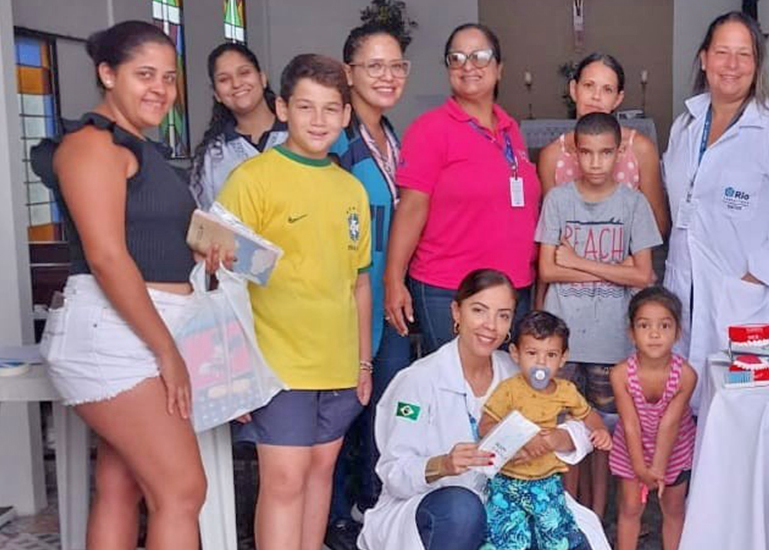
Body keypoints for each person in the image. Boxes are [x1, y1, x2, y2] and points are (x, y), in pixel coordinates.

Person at [29, 20, 206, 549]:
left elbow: (143, 236)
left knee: (119, 483)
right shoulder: (91, 145)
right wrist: (167, 351)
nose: (160, 89)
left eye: (169, 78)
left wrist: (195, 247)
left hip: (136, 328)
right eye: (144, 74)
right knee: (182, 490)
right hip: (114, 334)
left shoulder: (136, 146)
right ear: (107, 74)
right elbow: (106, 257)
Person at [216, 54, 373, 550]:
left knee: (320, 472)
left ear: (347, 115)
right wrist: (232, 373)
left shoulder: (351, 189)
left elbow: (359, 283)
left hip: (339, 363)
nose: (319, 120)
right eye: (306, 107)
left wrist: (363, 362)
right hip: (276, 365)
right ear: (282, 108)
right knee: (283, 481)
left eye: (331, 108)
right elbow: (222, 281)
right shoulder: (253, 179)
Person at [357, 269, 610, 550]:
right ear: (456, 312)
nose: (490, 325)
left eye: (503, 315)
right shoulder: (418, 381)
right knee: (464, 509)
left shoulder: (518, 369)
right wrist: (443, 464)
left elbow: (580, 419)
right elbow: (394, 473)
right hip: (437, 511)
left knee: (569, 537)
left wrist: (558, 438)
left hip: (509, 501)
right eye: (479, 310)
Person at [662, 11, 769, 411]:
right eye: (722, 52)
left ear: (757, 64)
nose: (731, 65)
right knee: (689, 407)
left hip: (751, 292)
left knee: (748, 405)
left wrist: (758, 275)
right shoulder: (685, 125)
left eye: (744, 54)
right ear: (703, 58)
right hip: (688, 286)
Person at [384, 23, 541, 355]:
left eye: (479, 56)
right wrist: (394, 279)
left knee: (504, 394)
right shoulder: (430, 130)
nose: (467, 65)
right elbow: (411, 208)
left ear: (499, 68)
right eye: (456, 58)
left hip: (513, 290)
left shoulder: (512, 130)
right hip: (450, 289)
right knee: (456, 392)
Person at [534, 112, 662, 516]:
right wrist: (615, 270)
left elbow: (643, 275)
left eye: (605, 153)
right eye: (586, 153)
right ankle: (569, 513)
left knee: (605, 432)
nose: (595, 163)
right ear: (573, 150)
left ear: (619, 151)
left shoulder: (633, 203)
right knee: (564, 430)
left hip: (611, 341)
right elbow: (547, 269)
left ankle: (596, 514)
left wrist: (577, 259)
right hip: (564, 342)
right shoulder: (558, 199)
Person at [326, 22, 415, 550]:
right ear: (348, 73)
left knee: (382, 411)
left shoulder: (389, 135)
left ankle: (368, 509)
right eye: (374, 65)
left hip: (388, 298)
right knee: (341, 413)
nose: (387, 75)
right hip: (348, 299)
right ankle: (335, 517)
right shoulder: (337, 136)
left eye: (396, 65)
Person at [478, 311, 613, 550]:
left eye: (550, 355)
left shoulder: (566, 391)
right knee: (506, 539)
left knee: (556, 538)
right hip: (507, 481)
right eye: (532, 353)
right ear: (515, 354)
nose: (541, 363)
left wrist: (600, 430)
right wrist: (518, 439)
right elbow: (485, 426)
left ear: (563, 358)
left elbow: (587, 414)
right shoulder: (509, 389)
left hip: (546, 482)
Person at [536, 53, 669, 237]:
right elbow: (551, 230)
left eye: (607, 89)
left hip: (626, 262)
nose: (596, 97)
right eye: (589, 86)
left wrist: (624, 262)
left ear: (618, 98)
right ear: (574, 89)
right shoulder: (552, 155)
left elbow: (658, 225)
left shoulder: (640, 149)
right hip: (568, 264)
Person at [609, 287, 697, 550]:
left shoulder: (686, 375)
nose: (655, 334)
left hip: (674, 450)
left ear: (678, 332)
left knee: (673, 509)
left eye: (664, 325)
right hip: (632, 449)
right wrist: (639, 468)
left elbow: (670, 424)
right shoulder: (621, 374)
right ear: (631, 333)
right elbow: (630, 424)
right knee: (630, 508)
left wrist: (657, 468)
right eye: (644, 325)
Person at [189, 42, 287, 210]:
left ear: (262, 79)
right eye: (224, 79)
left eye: (244, 72)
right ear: (217, 94)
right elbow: (207, 221)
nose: (236, 83)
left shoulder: (297, 134)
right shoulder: (212, 157)